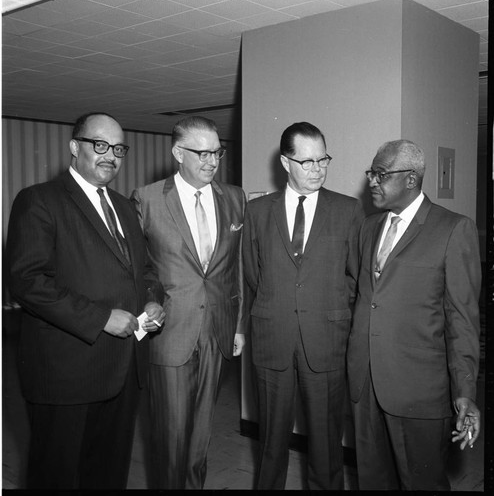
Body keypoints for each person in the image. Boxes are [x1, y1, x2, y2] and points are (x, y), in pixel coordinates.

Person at [6, 112, 165, 490]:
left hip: (123, 369)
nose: (110, 155)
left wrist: (154, 301)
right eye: (100, 145)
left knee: (109, 473)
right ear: (75, 148)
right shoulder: (39, 201)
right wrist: (99, 318)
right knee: (56, 475)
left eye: (118, 148)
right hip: (66, 373)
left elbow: (144, 271)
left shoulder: (126, 207)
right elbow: (27, 281)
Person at [347, 139, 482, 490]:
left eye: (380, 174)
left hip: (418, 392)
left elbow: (462, 319)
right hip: (365, 383)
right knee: (373, 481)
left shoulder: (453, 229)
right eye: (371, 173)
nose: (372, 181)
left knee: (421, 482)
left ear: (410, 179)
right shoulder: (368, 228)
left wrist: (465, 389)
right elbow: (363, 298)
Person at [242, 121, 364, 490]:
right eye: (307, 161)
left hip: (326, 341)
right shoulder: (258, 211)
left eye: (323, 159)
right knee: (271, 444)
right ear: (285, 162)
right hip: (272, 338)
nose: (318, 169)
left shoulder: (348, 210)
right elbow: (251, 274)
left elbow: (354, 279)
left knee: (327, 445)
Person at [131, 115, 247, 489]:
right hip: (171, 332)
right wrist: (149, 304)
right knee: (170, 438)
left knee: (201, 438)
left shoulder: (234, 197)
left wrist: (240, 325)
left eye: (217, 152)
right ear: (178, 152)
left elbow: (237, 268)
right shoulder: (147, 199)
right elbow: (140, 269)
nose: (212, 161)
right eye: (202, 153)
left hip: (217, 329)